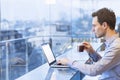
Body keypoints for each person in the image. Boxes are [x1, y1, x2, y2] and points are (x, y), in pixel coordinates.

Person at [58, 8, 120, 80]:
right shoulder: (112, 43)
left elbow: (93, 70)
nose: (92, 30)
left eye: (94, 26)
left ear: (104, 25)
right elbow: (104, 64)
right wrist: (92, 52)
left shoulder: (116, 46)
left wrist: (69, 62)